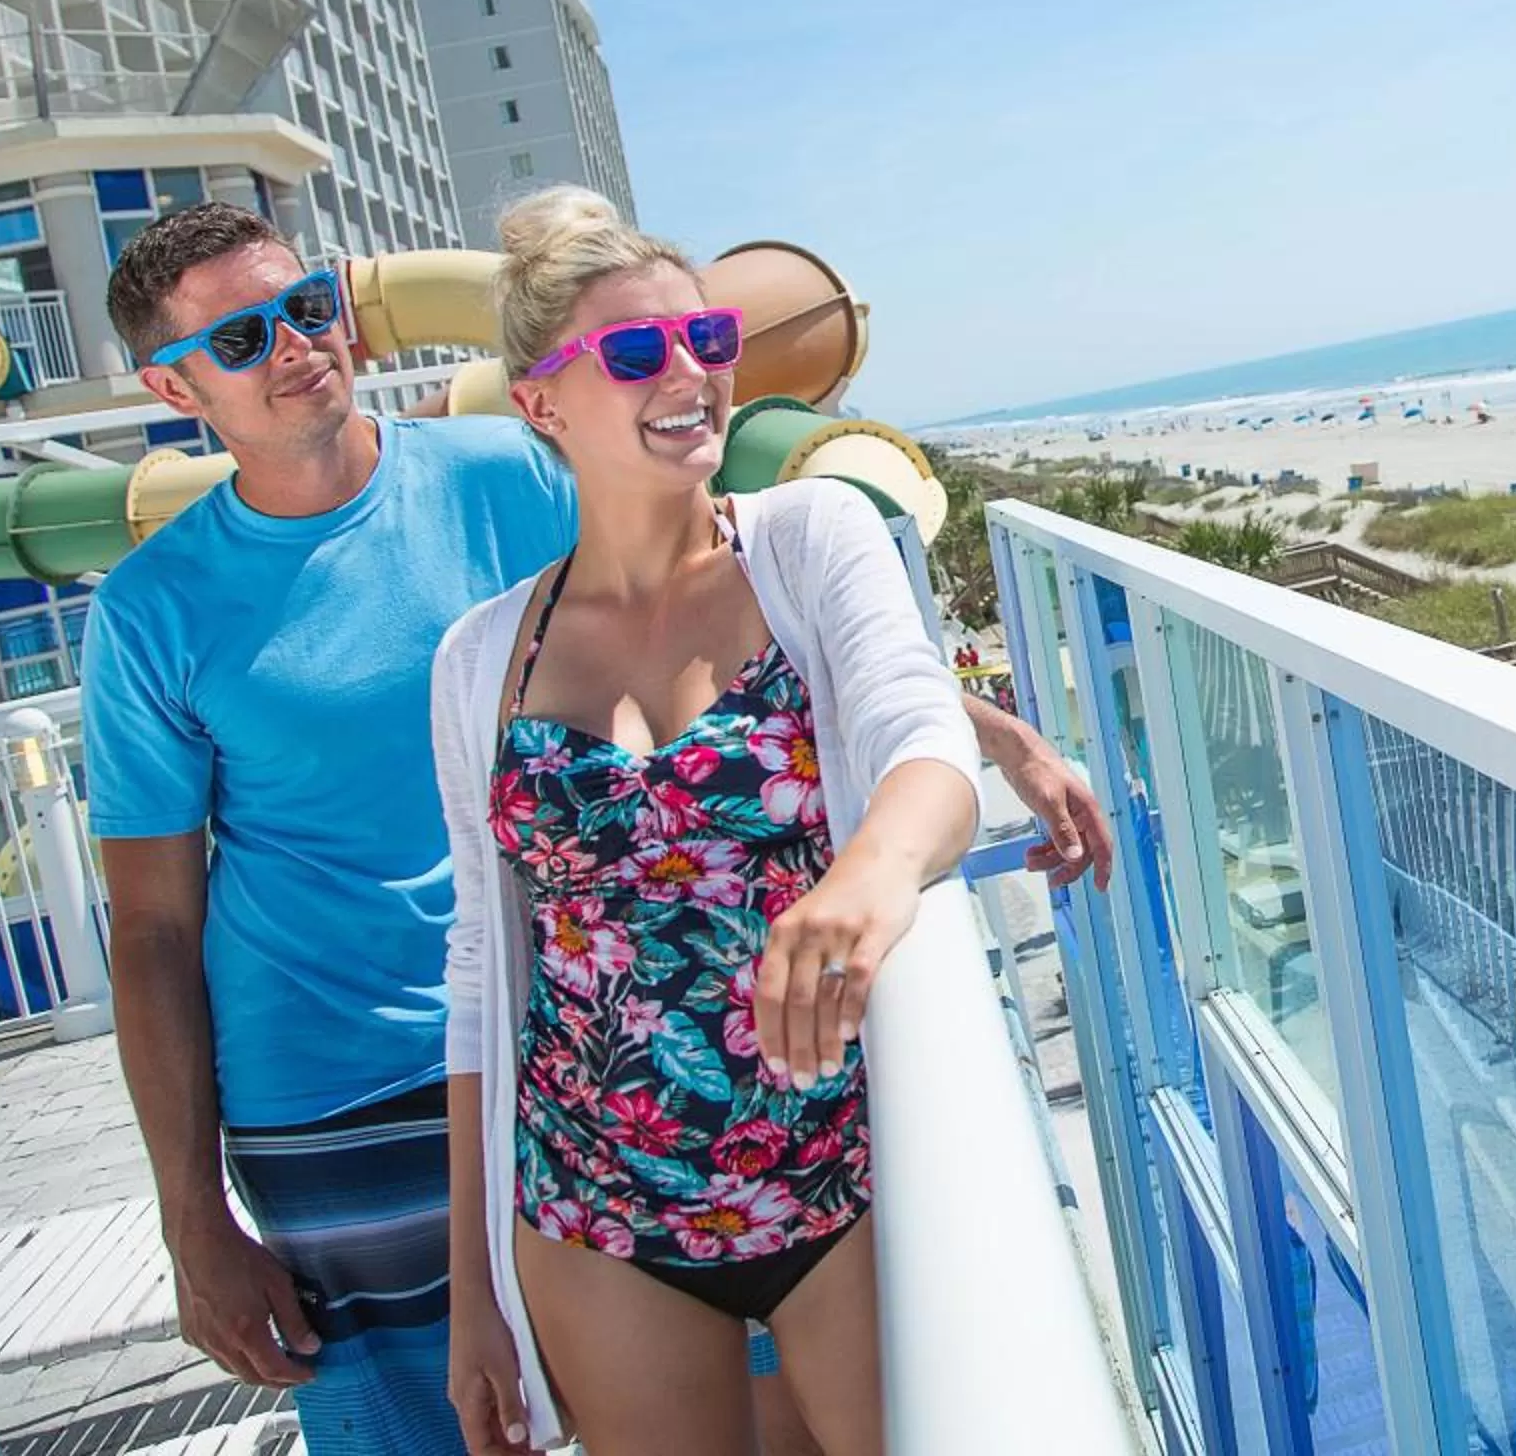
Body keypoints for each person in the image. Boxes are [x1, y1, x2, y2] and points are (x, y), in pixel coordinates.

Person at [83, 203, 1106, 1456]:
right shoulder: (152, 611)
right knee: (430, 1431)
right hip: (348, 1090)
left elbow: (726, 609)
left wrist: (975, 732)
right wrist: (194, 1219)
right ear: (171, 383)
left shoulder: (504, 475)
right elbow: (149, 926)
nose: (297, 345)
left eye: (307, 308)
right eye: (244, 337)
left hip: (677, 1090)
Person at [434, 191, 974, 1456]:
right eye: (635, 354)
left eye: (708, 340)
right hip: (595, 1206)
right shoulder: (476, 661)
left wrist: (871, 873)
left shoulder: (809, 535)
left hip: (841, 1165)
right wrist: (474, 1287)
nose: (690, 374)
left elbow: (923, 739)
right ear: (541, 403)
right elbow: (477, 965)